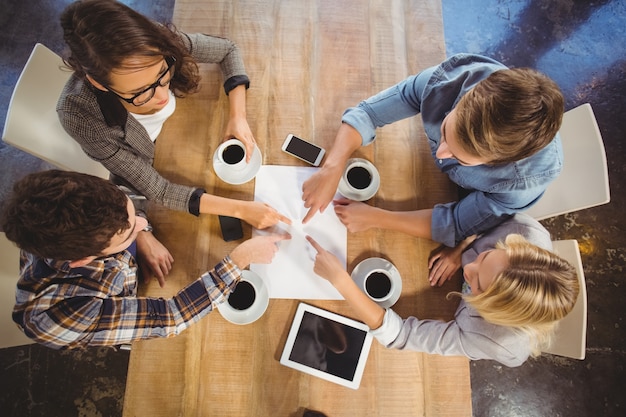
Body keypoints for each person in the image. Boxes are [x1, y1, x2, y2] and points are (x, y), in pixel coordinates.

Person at [301, 53, 564, 282]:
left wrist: (375, 218)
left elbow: (456, 223)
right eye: (446, 130)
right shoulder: (455, 78)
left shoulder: (522, 183)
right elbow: (369, 112)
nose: (440, 154)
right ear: (466, 96)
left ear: (497, 163)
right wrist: (331, 168)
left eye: (460, 158)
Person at [57, 0, 289, 229]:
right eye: (140, 92)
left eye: (162, 73)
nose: (162, 96)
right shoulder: (82, 119)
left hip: (186, 129)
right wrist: (240, 209)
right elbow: (158, 189)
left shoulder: (151, 41)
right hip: (153, 157)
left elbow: (228, 49)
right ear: (99, 84)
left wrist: (237, 117)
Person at [1, 170, 290, 350]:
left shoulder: (71, 205)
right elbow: (170, 318)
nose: (141, 222)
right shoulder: (57, 319)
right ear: (83, 259)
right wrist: (239, 259)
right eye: (128, 232)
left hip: (129, 273)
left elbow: (126, 200)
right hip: (121, 322)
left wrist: (142, 235)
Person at [306, 214, 579, 367]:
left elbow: (402, 335)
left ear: (494, 313)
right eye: (487, 256)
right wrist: (459, 248)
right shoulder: (526, 230)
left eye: (478, 285)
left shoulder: (496, 341)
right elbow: (479, 221)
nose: (468, 266)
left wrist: (341, 281)